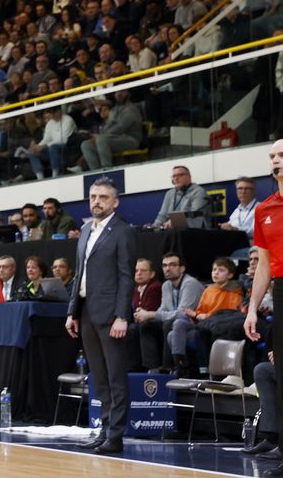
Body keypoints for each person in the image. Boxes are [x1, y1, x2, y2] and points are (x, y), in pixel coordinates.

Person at [244, 139, 283, 477]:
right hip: (282, 296)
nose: (276, 160)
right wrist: (254, 308)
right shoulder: (264, 209)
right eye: (272, 156)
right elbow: (265, 266)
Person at [67, 177, 136, 455]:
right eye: (93, 196)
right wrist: (72, 311)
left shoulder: (123, 231)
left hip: (110, 315)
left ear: (115, 202)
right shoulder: (84, 230)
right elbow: (77, 276)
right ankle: (104, 430)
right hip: (85, 313)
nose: (97, 201)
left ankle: (115, 436)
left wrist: (123, 316)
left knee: (116, 377)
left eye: (103, 197)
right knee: (99, 377)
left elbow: (126, 277)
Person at [168, 257, 242, 377]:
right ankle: (181, 365)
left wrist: (204, 316)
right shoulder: (209, 290)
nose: (216, 272)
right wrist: (194, 314)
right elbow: (199, 311)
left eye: (221, 270)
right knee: (178, 324)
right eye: (214, 269)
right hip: (200, 323)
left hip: (215, 328)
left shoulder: (234, 292)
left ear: (230, 275)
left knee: (173, 335)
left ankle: (188, 369)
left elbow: (228, 316)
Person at [80, 90, 143, 170]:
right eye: (116, 92)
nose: (119, 94)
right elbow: (107, 127)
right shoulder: (113, 110)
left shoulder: (131, 108)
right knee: (86, 145)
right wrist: (98, 136)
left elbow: (121, 127)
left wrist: (101, 137)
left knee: (101, 140)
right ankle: (95, 171)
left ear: (128, 94)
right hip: (114, 139)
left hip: (130, 139)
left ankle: (107, 169)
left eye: (122, 92)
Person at [126, 258, 163, 370]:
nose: (139, 273)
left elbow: (149, 309)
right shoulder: (135, 289)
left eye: (143, 270)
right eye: (137, 271)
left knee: (137, 327)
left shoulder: (155, 287)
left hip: (156, 321)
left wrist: (139, 314)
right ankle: (132, 366)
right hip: (140, 322)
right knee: (128, 328)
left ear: (152, 274)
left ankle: (150, 366)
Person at [220, 176, 258, 240]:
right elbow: (231, 226)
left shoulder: (260, 208)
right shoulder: (237, 210)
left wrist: (235, 229)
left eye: (247, 188)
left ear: (254, 191)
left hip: (253, 245)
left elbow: (256, 231)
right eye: (240, 188)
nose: (243, 192)